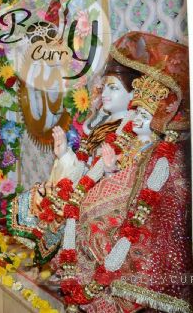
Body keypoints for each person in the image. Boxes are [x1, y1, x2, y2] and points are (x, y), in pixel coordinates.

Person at [57, 33, 192, 312]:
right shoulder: (122, 134)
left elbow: (160, 192)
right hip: (120, 197)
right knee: (81, 212)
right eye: (136, 114)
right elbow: (95, 174)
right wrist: (106, 170)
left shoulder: (164, 152)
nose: (136, 121)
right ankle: (86, 284)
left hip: (143, 215)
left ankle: (107, 289)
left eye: (143, 116)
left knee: (95, 219)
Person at [7, 56, 141, 264]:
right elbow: (84, 163)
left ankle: (69, 263)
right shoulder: (102, 122)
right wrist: (64, 154)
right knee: (39, 195)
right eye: (104, 87)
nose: (104, 94)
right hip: (85, 183)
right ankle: (54, 258)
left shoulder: (133, 130)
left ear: (133, 94)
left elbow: (131, 175)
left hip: (105, 193)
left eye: (113, 88)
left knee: (60, 207)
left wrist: (110, 170)